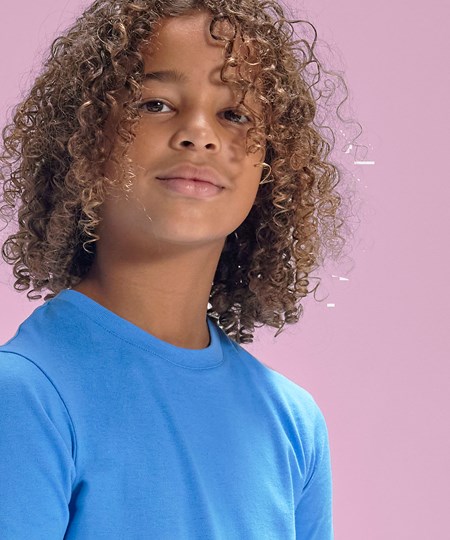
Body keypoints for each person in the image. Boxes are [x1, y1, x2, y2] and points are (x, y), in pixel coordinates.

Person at [0, 0, 355, 537]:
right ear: (87, 137)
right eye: (156, 104)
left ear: (272, 165)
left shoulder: (293, 424)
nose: (199, 133)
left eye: (234, 114)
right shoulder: (26, 395)